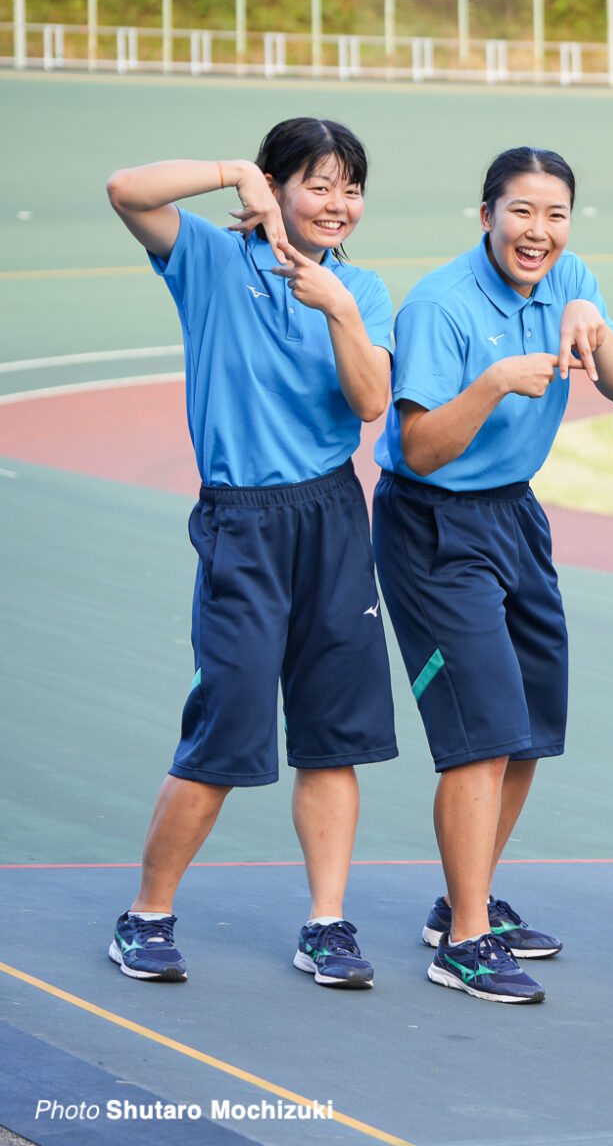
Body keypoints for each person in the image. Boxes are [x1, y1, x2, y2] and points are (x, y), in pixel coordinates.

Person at [104, 117, 395, 989]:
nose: (337, 203)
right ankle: (146, 914)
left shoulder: (365, 290)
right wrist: (232, 170)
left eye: (350, 186)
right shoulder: (209, 262)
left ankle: (327, 923)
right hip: (243, 520)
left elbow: (372, 400)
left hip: (334, 517)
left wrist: (340, 309)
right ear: (274, 186)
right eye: (318, 183)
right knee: (226, 723)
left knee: (332, 737)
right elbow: (127, 188)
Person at [372, 146, 613, 1004]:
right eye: (521, 211)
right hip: (433, 521)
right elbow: (417, 447)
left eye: (555, 213)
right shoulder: (441, 306)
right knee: (481, 731)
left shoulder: (569, 279)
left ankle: (468, 900)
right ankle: (465, 942)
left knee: (526, 725)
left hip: (515, 515)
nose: (539, 231)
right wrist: (492, 385)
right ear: (485, 213)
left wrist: (595, 321)